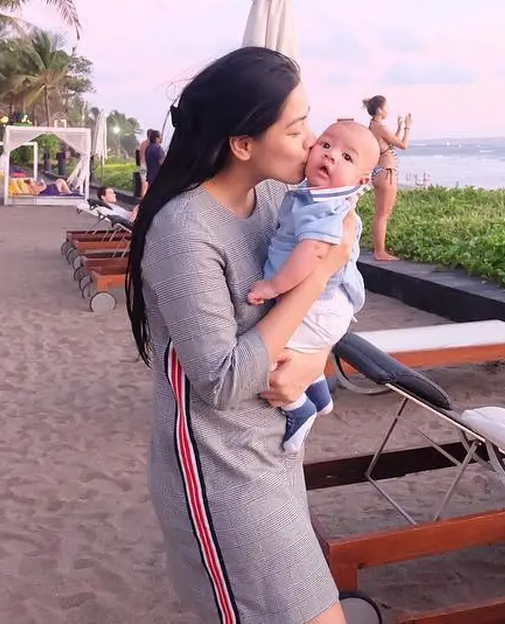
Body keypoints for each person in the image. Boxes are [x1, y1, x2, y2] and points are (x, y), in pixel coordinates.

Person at [125, 46, 354, 624]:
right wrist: (318, 270)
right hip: (218, 475)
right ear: (244, 144)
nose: (314, 145)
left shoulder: (278, 198)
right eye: (298, 130)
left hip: (272, 455)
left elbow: (331, 298)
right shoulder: (185, 230)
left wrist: (315, 359)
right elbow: (222, 381)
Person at [246, 121, 380, 452]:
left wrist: (275, 285)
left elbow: (314, 251)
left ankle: (300, 408)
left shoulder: (323, 205)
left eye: (347, 158)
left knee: (270, 355)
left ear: (361, 181)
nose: (331, 156)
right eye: (326, 145)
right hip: (330, 303)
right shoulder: (319, 196)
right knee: (300, 350)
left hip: (322, 306)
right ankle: (319, 391)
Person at [364, 95, 410, 261]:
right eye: (386, 106)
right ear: (379, 110)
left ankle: (379, 250)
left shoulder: (374, 126)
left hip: (381, 172)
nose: (388, 109)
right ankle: (380, 251)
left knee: (381, 214)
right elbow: (403, 145)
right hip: (386, 173)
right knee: (383, 215)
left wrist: (398, 127)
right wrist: (408, 128)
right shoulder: (380, 126)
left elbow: (389, 143)